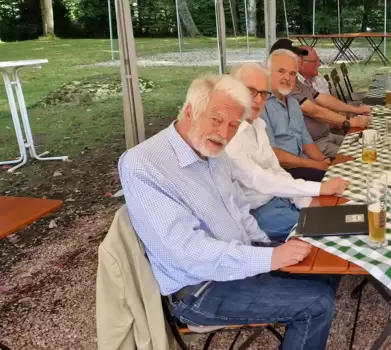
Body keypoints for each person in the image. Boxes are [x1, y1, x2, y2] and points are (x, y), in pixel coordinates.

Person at [119, 74, 339, 350]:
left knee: (326, 260)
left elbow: (239, 211)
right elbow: (189, 254)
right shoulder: (144, 163)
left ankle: (296, 318)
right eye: (216, 120)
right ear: (190, 112)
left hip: (236, 262)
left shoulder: (214, 153)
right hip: (199, 289)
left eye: (233, 125)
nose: (224, 133)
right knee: (317, 303)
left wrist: (267, 245)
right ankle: (302, 316)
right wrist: (271, 257)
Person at [225, 63, 350, 241]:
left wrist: (305, 201)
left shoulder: (258, 124)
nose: (259, 99)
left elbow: (276, 171)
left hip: (282, 198)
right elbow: (260, 180)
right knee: (332, 234)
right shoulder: (228, 135)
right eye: (250, 91)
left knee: (341, 217)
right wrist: (319, 188)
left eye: (263, 93)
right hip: (258, 213)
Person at [262, 49, 331, 181]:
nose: (287, 78)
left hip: (302, 164)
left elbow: (306, 143)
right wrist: (316, 165)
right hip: (282, 173)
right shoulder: (262, 105)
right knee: (332, 181)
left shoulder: (293, 103)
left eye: (292, 74)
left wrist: (325, 161)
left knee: (342, 168)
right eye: (281, 71)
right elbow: (273, 154)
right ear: (268, 73)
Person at [292, 45, 371, 157]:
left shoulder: (298, 83)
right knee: (360, 154)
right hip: (315, 144)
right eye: (315, 61)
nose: (319, 64)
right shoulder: (288, 88)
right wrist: (351, 122)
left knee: (368, 144)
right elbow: (315, 111)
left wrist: (355, 110)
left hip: (327, 136)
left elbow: (321, 97)